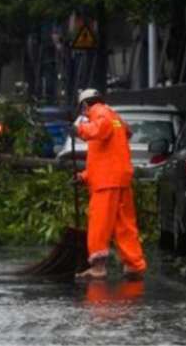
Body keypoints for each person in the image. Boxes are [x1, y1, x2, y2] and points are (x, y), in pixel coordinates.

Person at [74, 88, 146, 280]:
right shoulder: (115, 116)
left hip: (106, 183)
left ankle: (98, 268)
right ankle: (134, 265)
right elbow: (109, 153)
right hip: (119, 178)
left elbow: (101, 129)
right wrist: (84, 176)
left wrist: (79, 129)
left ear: (84, 105)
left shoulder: (99, 112)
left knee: (99, 223)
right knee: (125, 225)